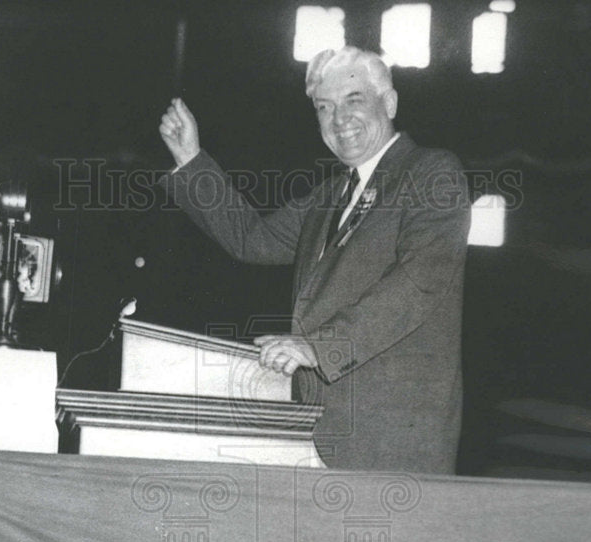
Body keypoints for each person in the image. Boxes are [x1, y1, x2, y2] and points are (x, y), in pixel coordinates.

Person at [160, 46, 470, 472]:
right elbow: (252, 240)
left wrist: (320, 347)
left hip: (394, 440)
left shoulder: (432, 173)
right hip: (319, 433)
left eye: (353, 100)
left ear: (391, 102)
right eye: (324, 107)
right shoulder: (330, 196)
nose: (339, 119)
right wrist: (191, 160)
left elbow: (419, 282)